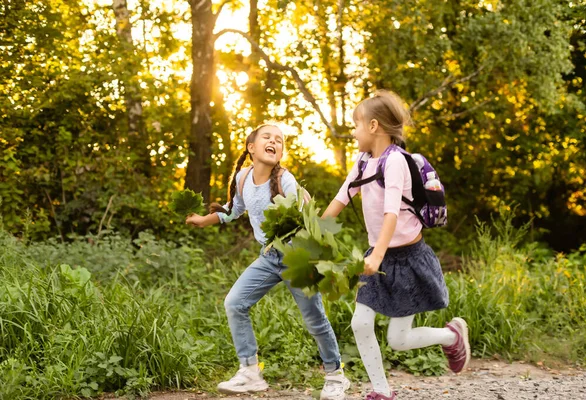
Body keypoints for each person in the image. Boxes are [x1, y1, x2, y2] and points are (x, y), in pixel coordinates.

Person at [321, 90, 470, 400]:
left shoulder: (396, 162)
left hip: (406, 259)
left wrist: (376, 255)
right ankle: (381, 391)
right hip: (378, 257)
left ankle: (451, 335)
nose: (353, 131)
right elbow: (341, 197)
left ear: (374, 126)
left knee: (398, 339)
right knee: (360, 323)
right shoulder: (363, 161)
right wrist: (313, 233)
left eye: (357, 124)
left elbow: (391, 214)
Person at [186, 124, 350, 399]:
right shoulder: (242, 177)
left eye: (280, 140)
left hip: (298, 257)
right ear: (252, 148)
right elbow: (234, 209)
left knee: (315, 320)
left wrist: (307, 211)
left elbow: (306, 219)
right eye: (267, 137)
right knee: (235, 303)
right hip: (270, 257)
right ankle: (250, 372)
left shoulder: (286, 180)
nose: (274, 141)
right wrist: (205, 219)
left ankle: (335, 376)